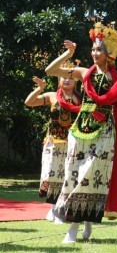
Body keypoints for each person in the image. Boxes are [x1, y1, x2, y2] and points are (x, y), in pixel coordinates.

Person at [45, 21, 117, 243]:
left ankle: (76, 227)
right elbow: (51, 70)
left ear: (108, 52)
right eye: (93, 49)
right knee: (73, 174)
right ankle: (80, 223)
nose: (94, 53)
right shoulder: (84, 73)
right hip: (80, 128)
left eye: (99, 49)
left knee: (92, 176)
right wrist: (68, 52)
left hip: (104, 129)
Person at [24, 76, 81, 224]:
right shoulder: (52, 96)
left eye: (71, 78)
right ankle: (54, 208)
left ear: (76, 81)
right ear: (59, 80)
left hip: (74, 141)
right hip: (54, 140)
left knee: (69, 175)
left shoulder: (81, 98)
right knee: (52, 173)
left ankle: (62, 209)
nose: (67, 80)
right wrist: (40, 89)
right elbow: (29, 102)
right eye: (64, 78)